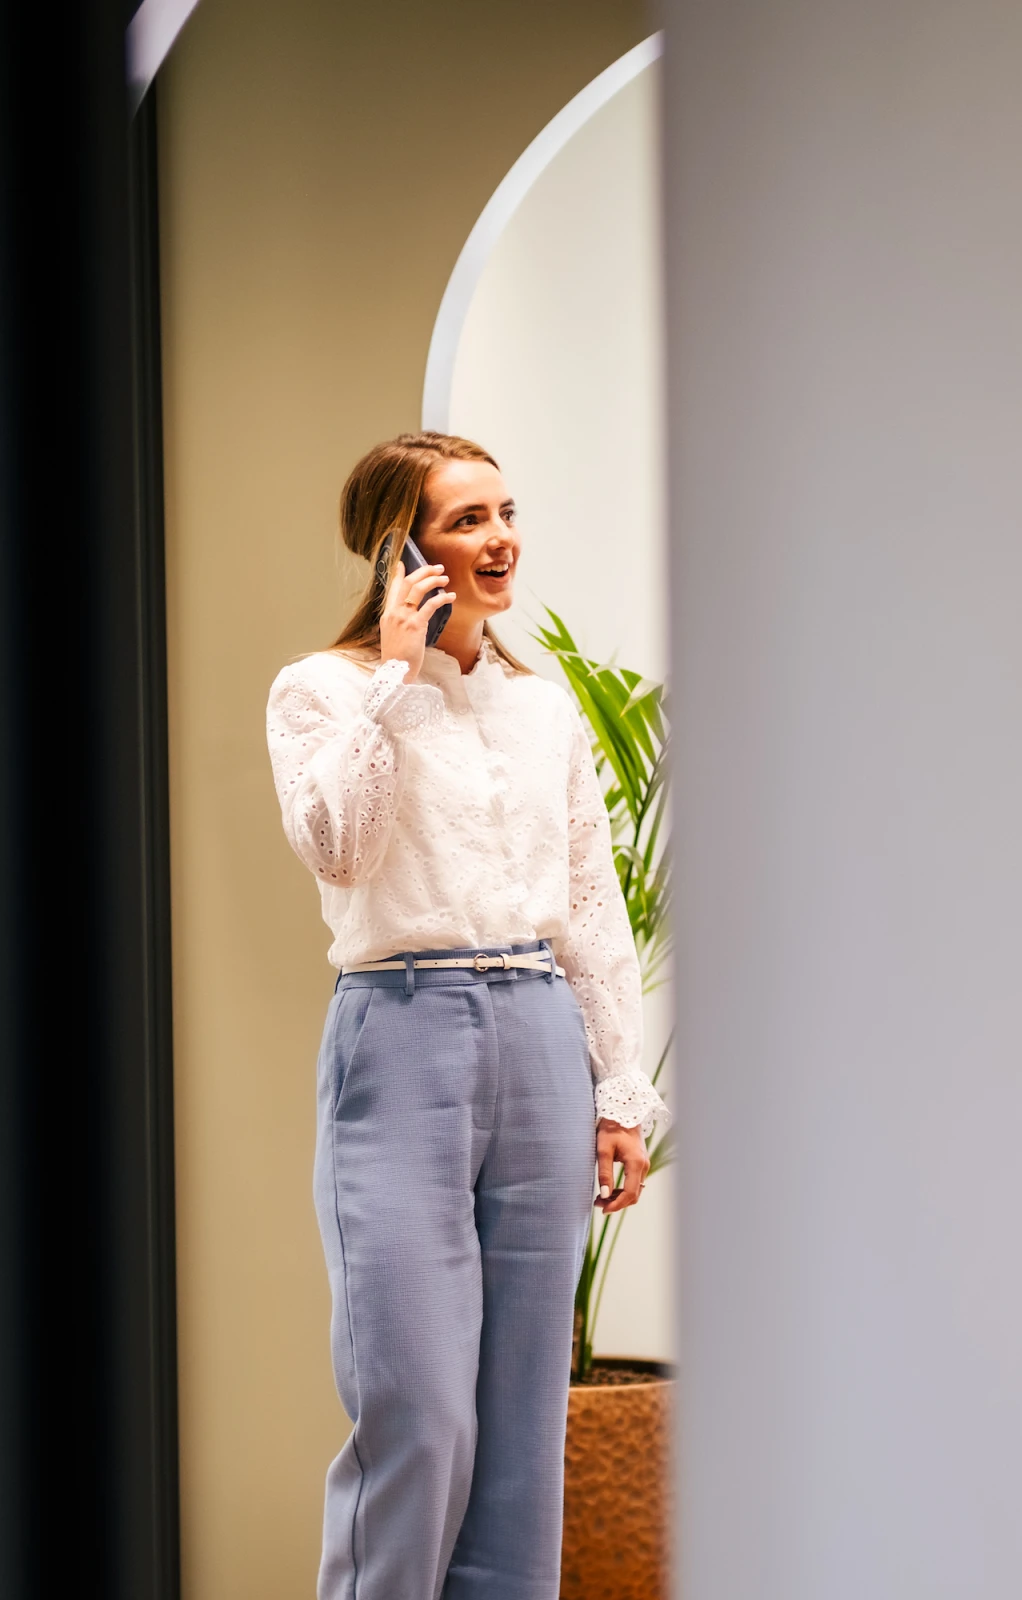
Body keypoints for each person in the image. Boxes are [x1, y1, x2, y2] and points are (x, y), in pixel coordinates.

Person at [265, 432, 668, 1600]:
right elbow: (338, 847)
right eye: (466, 521)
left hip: (538, 1031)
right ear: (398, 548)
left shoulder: (542, 710)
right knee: (420, 1407)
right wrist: (393, 682)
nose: (500, 541)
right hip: (401, 1034)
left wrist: (617, 1088)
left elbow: (588, 906)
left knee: (521, 1423)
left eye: (506, 513)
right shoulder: (322, 691)